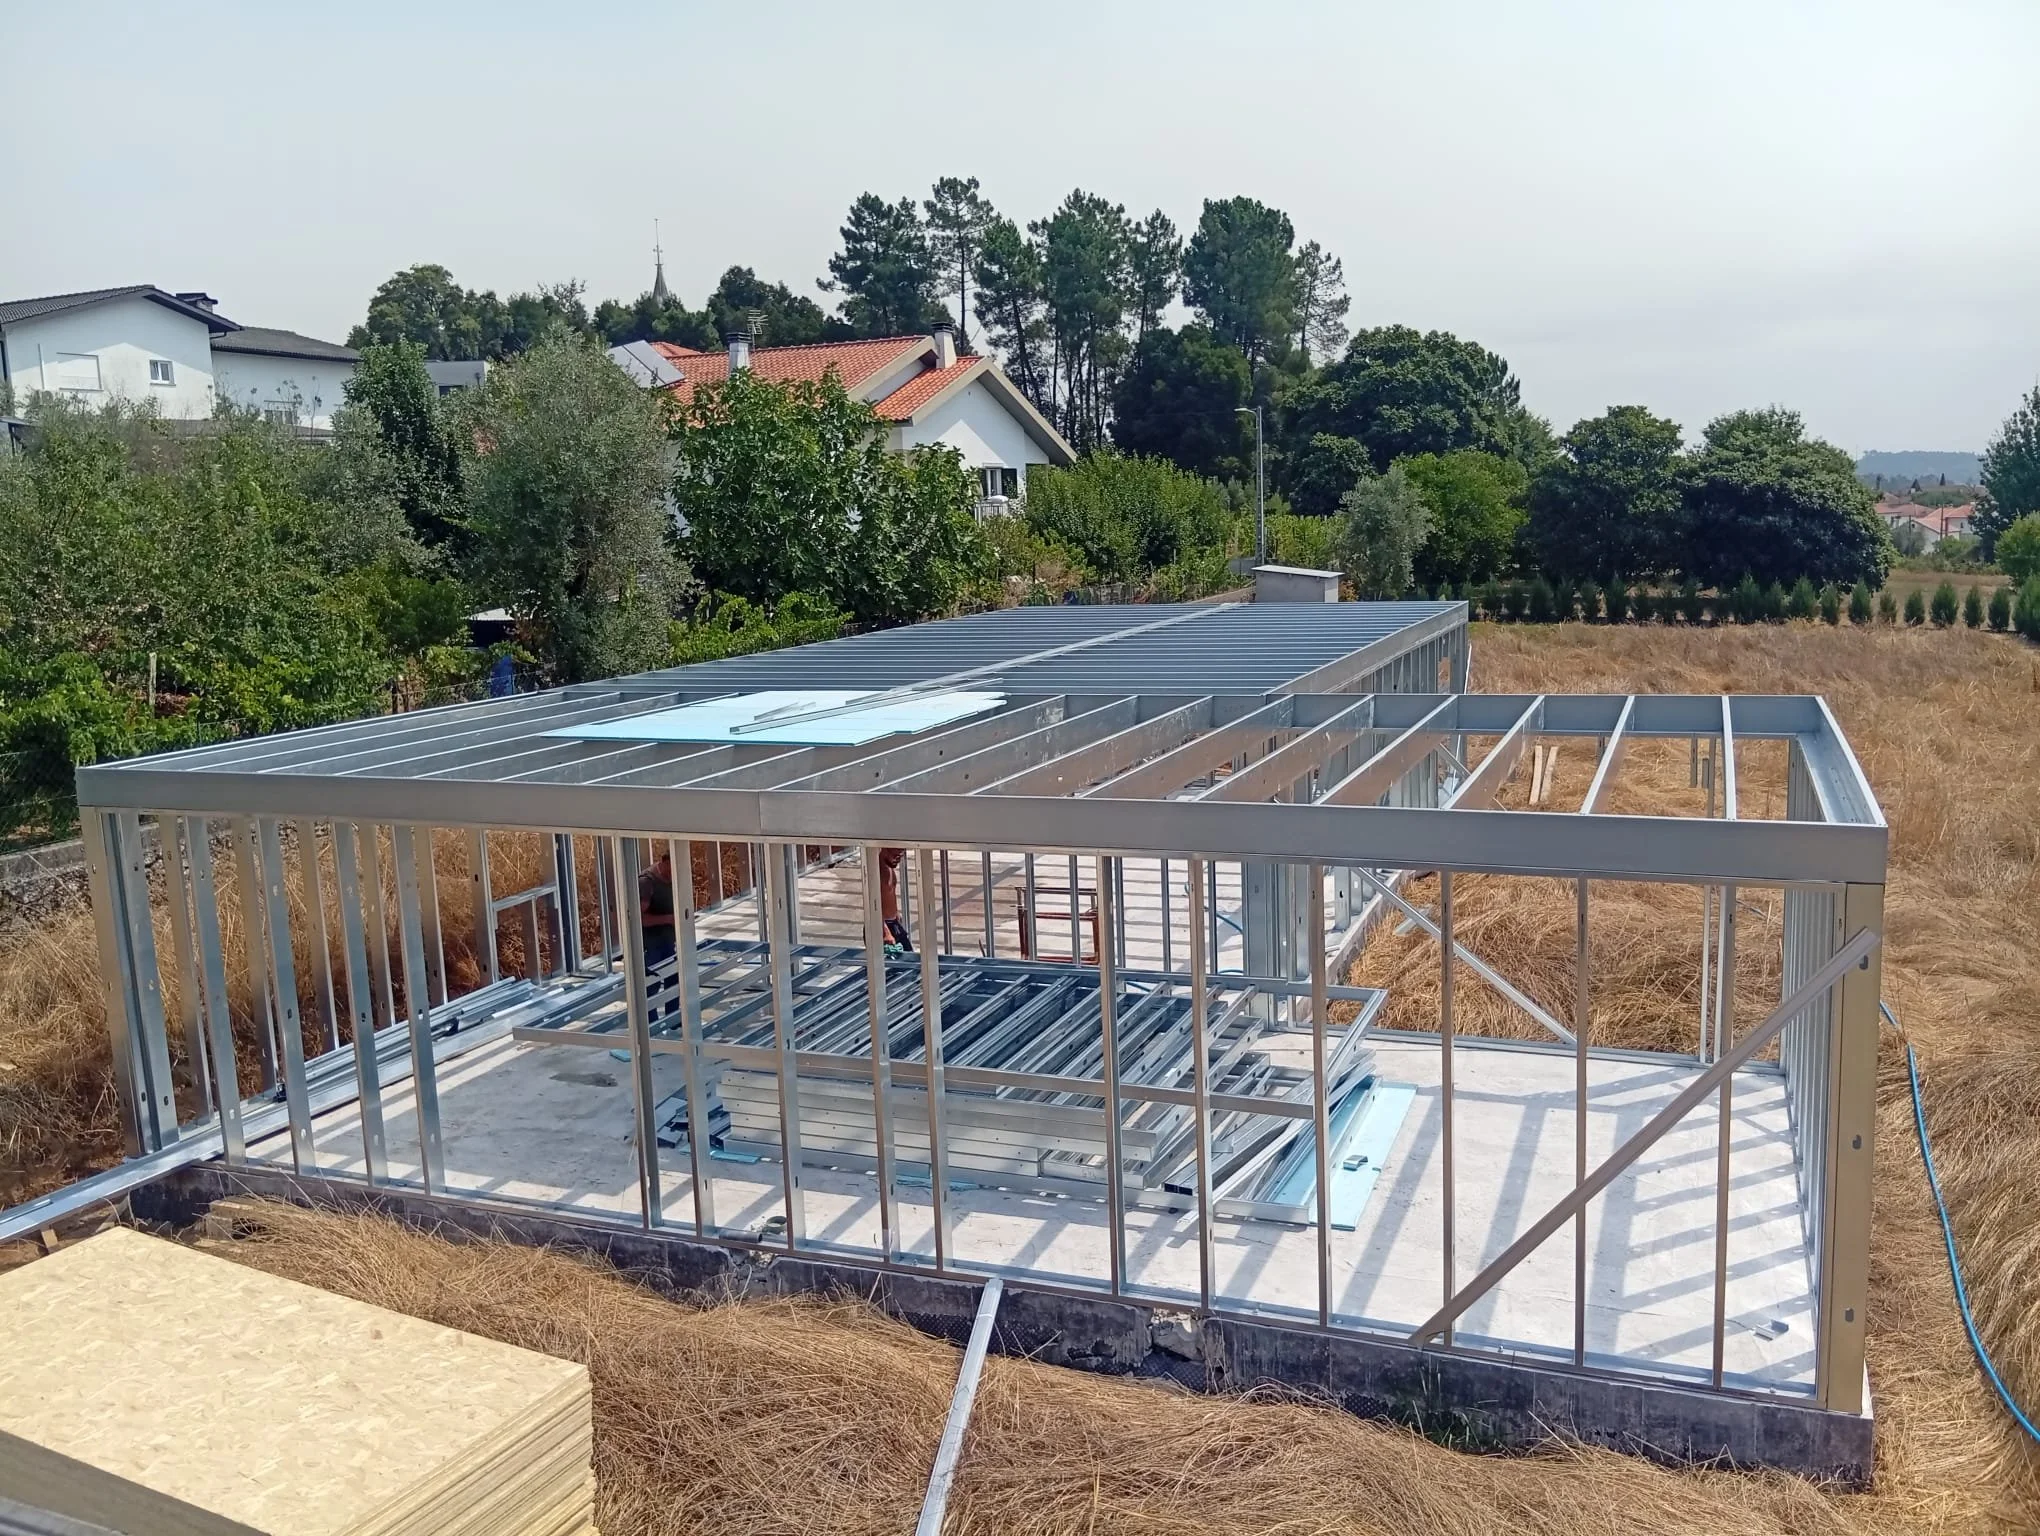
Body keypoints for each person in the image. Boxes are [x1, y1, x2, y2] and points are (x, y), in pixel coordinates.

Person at [638, 845, 679, 1018]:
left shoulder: (673, 878)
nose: (673, 874)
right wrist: (668, 919)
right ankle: (651, 1025)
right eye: (671, 869)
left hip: (668, 940)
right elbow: (639, 919)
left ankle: (674, 1020)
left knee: (673, 980)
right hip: (651, 943)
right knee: (651, 983)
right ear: (664, 862)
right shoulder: (647, 883)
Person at [877, 847, 912, 952]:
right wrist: (885, 932)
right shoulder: (878, 872)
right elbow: (873, 905)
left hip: (893, 923)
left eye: (900, 856)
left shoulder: (889, 868)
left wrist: (895, 914)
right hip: (883, 925)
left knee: (909, 958)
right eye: (895, 856)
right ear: (885, 849)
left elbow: (888, 895)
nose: (897, 860)